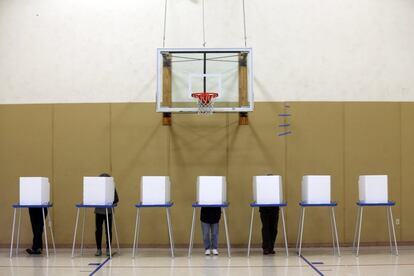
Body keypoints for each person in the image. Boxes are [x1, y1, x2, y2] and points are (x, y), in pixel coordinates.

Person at [95, 173, 119, 257]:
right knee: (99, 231)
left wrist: (109, 201)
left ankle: (107, 249)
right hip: (99, 211)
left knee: (107, 231)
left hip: (108, 212)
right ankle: (99, 249)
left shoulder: (111, 187)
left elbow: (116, 199)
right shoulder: (97, 188)